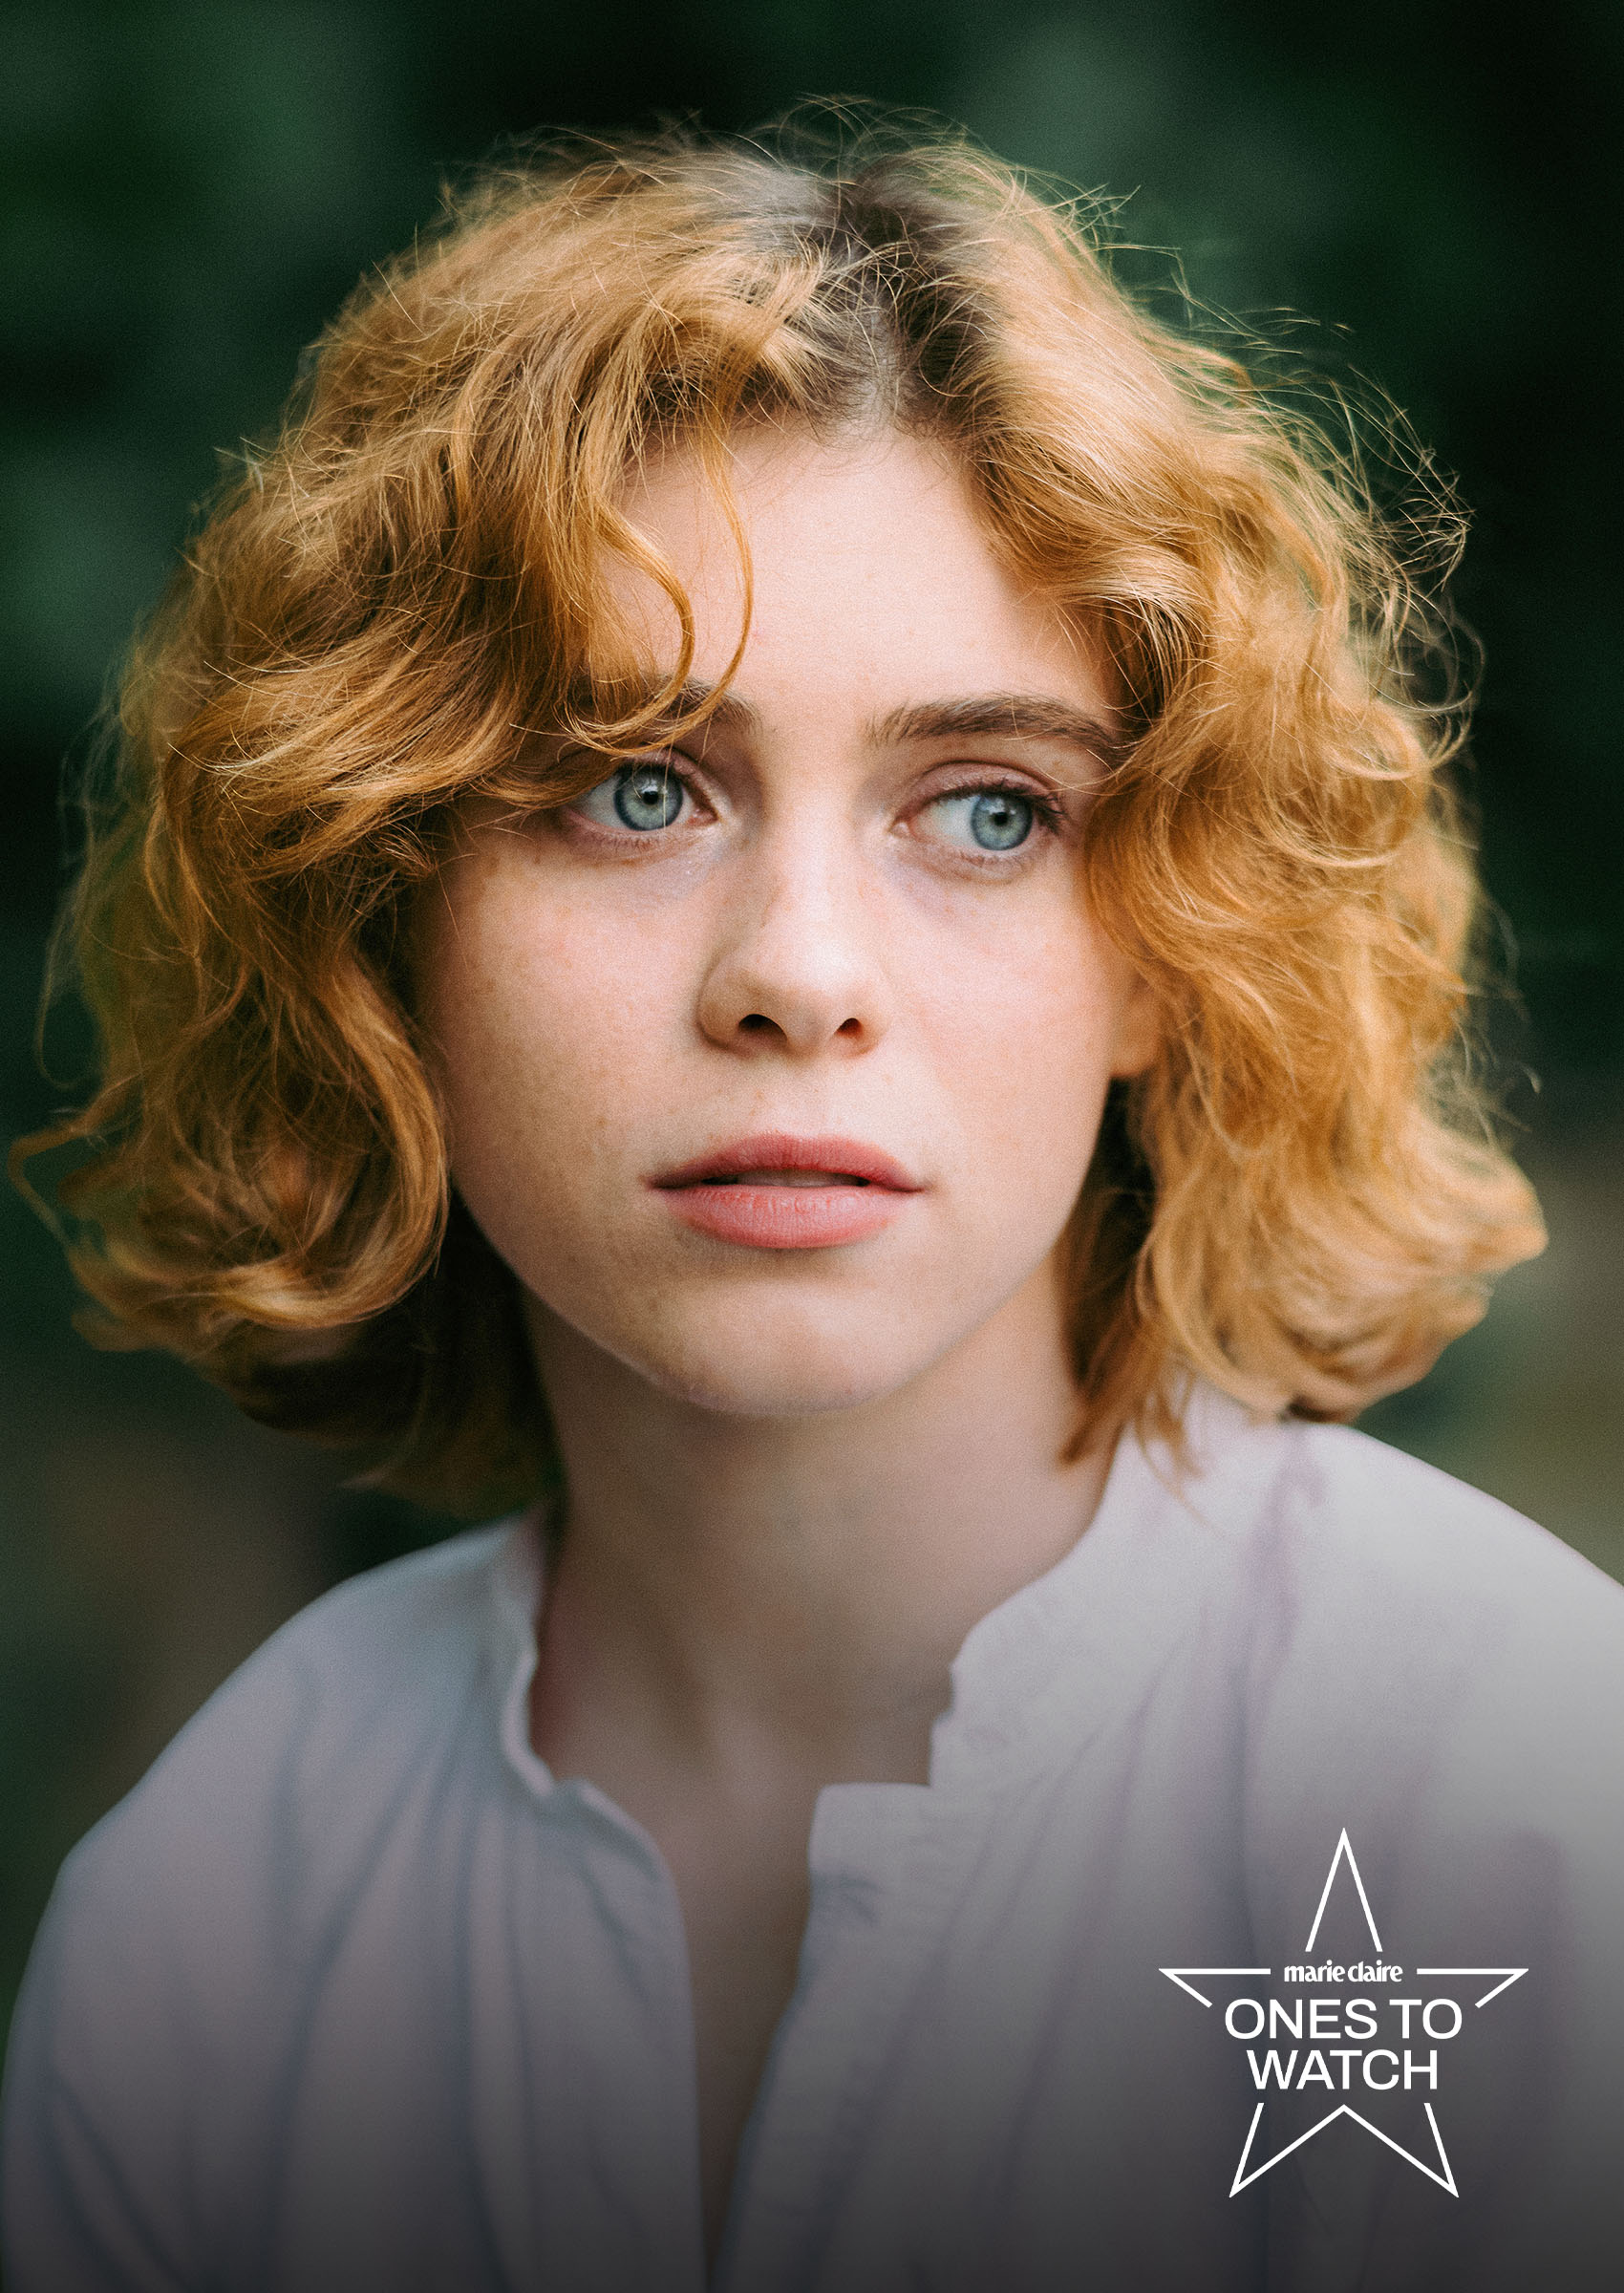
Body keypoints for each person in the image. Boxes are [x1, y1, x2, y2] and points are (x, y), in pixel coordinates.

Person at [4, 123, 1622, 2293]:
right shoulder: (208, 1927)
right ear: (380, 919)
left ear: (1167, 950)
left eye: (983, 809)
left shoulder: (1522, 1793)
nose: (798, 973)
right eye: (632, 788)